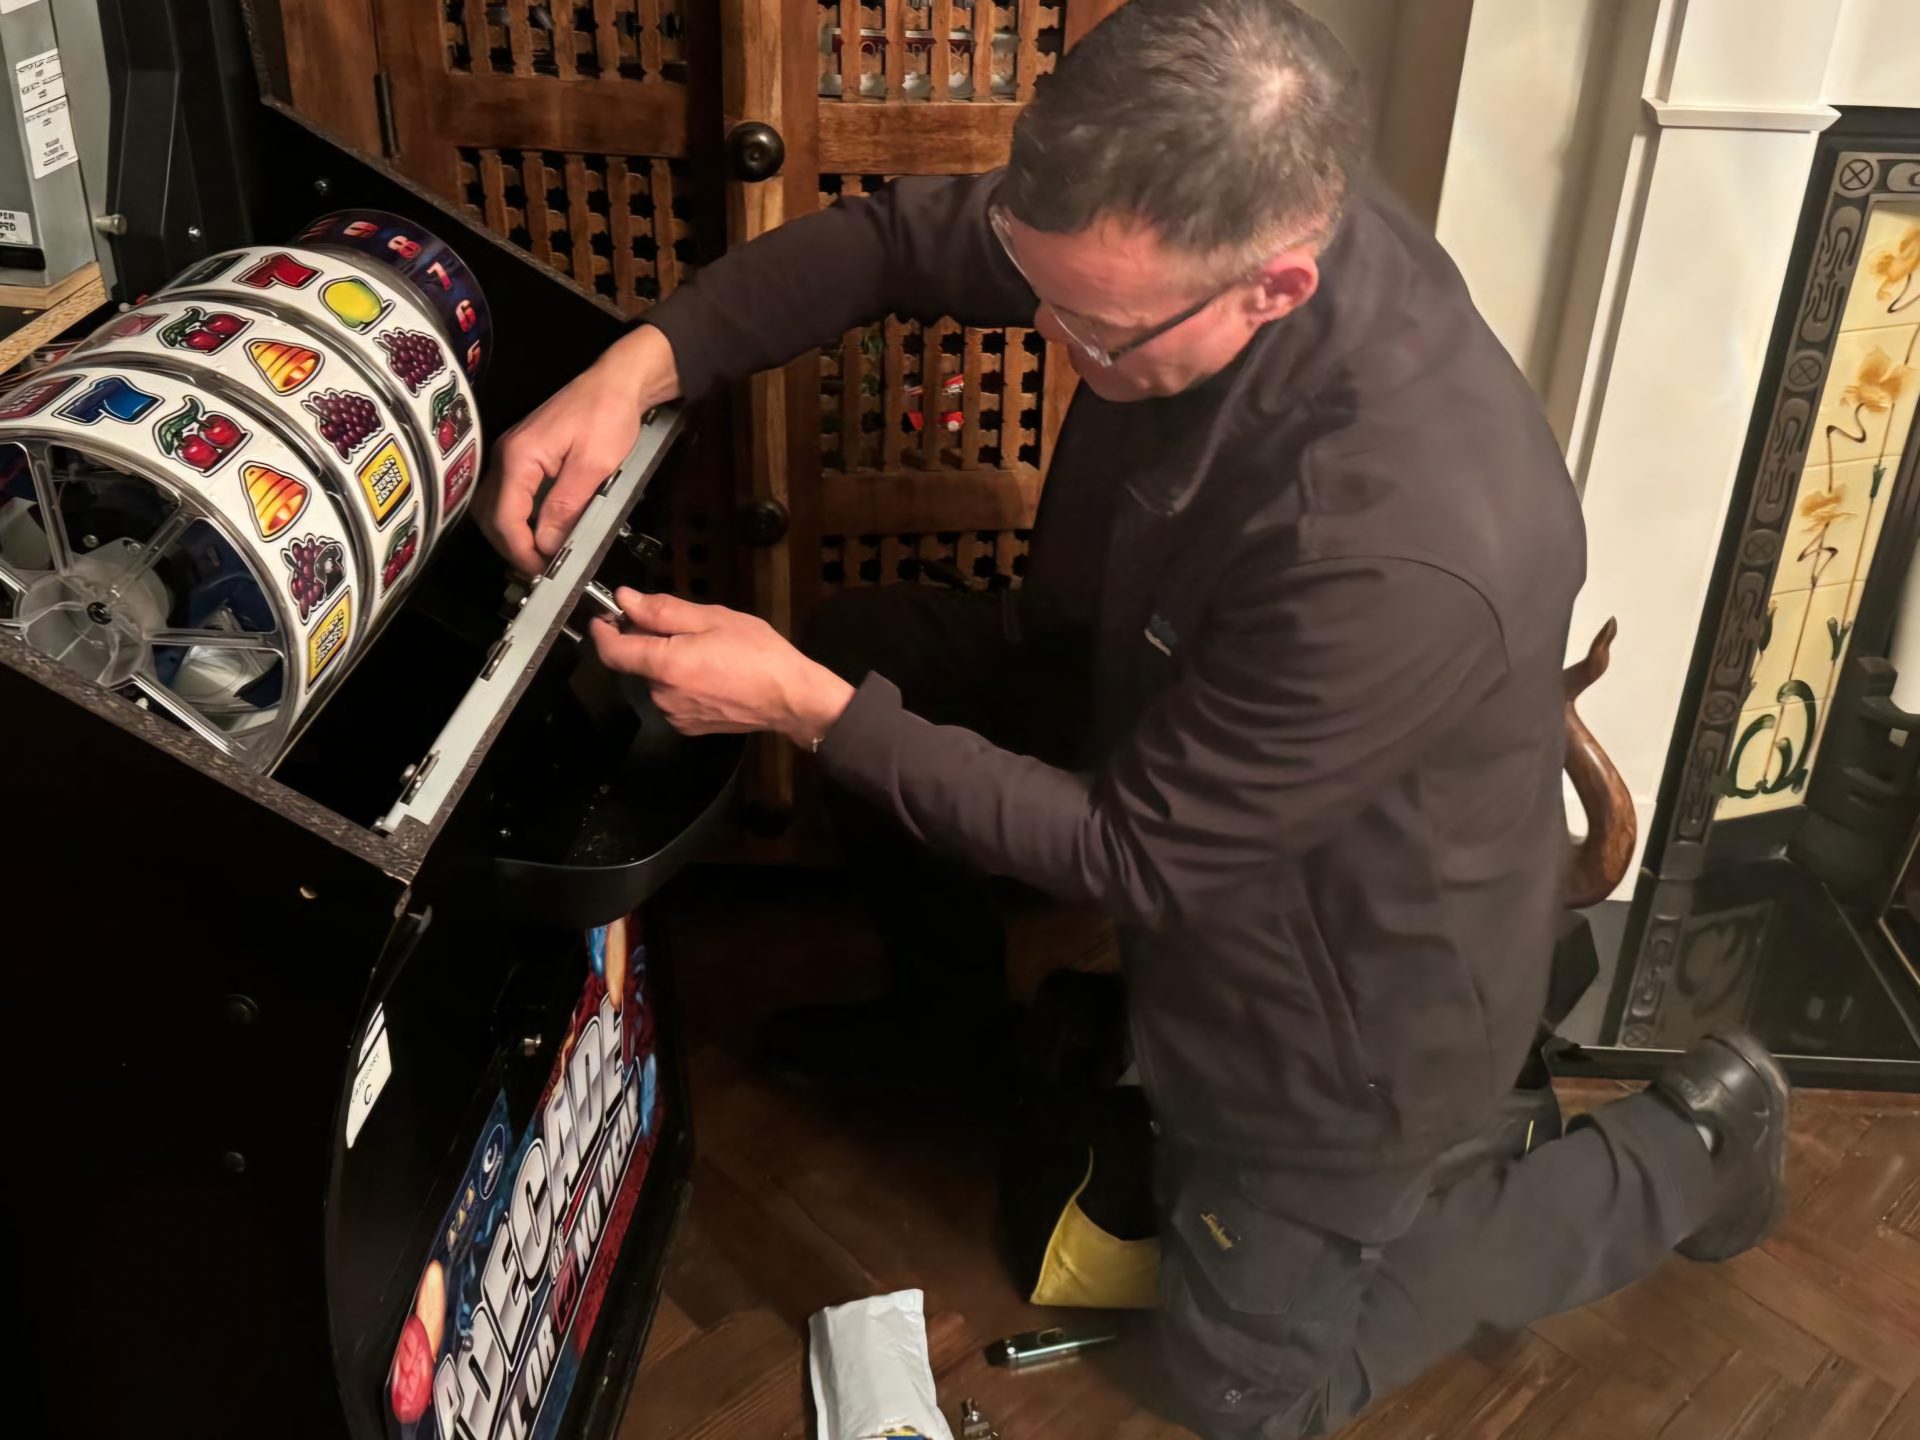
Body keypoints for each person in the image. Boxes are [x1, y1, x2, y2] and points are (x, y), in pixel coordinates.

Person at [479, 3, 1790, 1434]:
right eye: (1043, 292)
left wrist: (802, 707)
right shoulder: (1176, 219)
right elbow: (892, 242)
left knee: (1251, 1396)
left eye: (1093, 334)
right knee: (870, 648)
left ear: (1276, 286)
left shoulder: (1405, 543)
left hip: (1351, 994)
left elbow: (1136, 856)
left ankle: (1694, 1145)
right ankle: (947, 1024)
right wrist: (640, 365)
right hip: (1164, 703)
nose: (1049, 342)